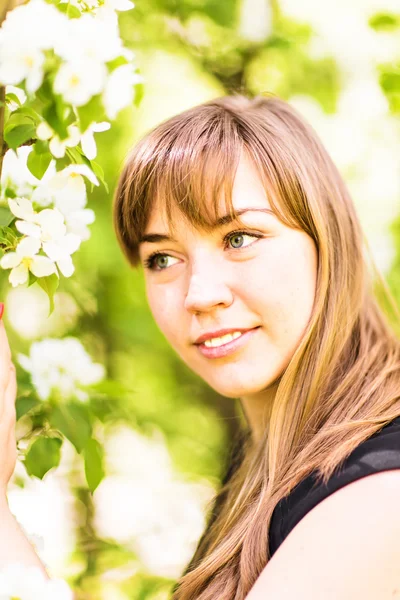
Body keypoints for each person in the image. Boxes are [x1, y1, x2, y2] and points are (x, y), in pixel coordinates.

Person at [1, 93, 400, 598]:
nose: (199, 295)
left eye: (239, 238)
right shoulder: (271, 458)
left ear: (327, 239)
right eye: (163, 259)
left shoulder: (377, 493)